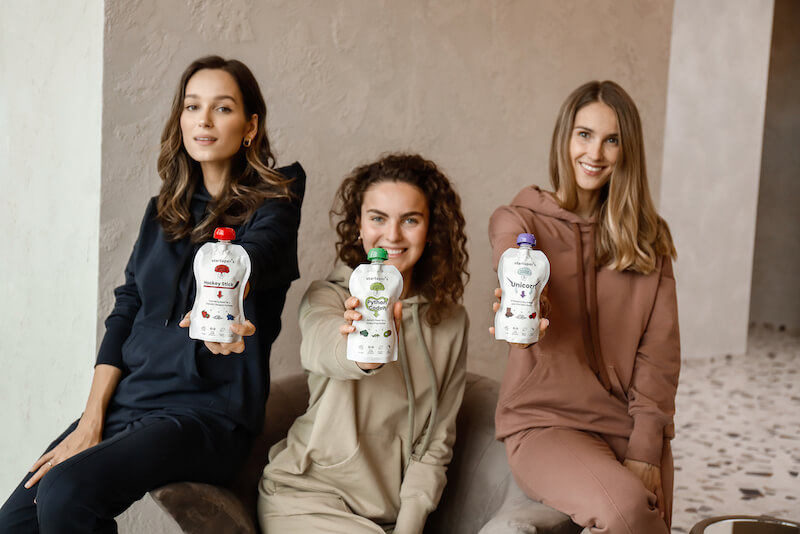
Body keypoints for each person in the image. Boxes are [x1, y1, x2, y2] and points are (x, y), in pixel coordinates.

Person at [0, 55, 305, 533]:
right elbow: (127, 311)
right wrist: (91, 417)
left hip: (206, 413)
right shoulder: (161, 212)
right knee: (16, 520)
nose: (203, 120)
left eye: (221, 108)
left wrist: (228, 301)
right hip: (132, 399)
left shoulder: (277, 201)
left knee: (66, 494)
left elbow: (257, 257)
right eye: (192, 106)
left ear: (250, 126)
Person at [489, 81, 679, 533]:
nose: (595, 152)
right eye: (584, 134)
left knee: (653, 514)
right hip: (546, 423)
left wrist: (647, 445)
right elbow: (512, 266)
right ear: (565, 138)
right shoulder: (519, 222)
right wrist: (522, 303)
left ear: (626, 149)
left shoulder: (648, 240)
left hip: (627, 422)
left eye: (611, 139)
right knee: (631, 511)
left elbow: (660, 353)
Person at [259, 154, 469, 534]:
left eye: (410, 219)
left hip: (385, 520)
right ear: (358, 225)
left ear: (430, 228)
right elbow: (321, 348)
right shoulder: (329, 297)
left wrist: (408, 527)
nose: (392, 236)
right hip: (306, 500)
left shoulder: (451, 322)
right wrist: (363, 349)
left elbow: (435, 444)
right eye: (377, 218)